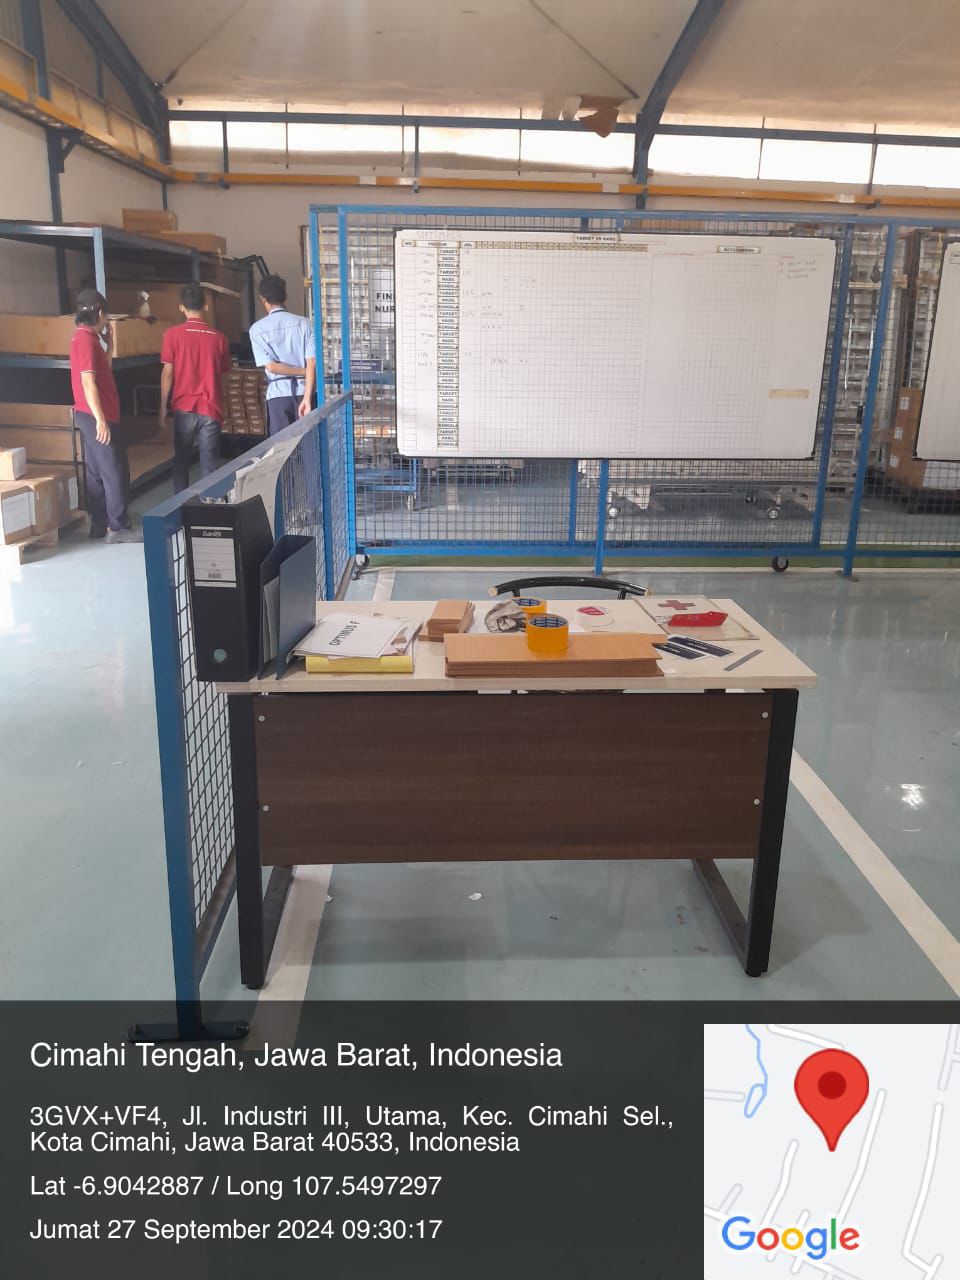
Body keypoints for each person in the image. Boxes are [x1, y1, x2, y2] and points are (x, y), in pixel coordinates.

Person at [69, 288, 138, 544]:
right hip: (98, 415)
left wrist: (109, 346)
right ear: (99, 313)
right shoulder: (87, 342)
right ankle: (118, 527)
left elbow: (101, 372)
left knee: (96, 471)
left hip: (88, 414)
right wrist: (100, 419)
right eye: (106, 316)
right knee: (113, 468)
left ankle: (99, 523)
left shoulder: (84, 339)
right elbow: (88, 383)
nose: (106, 320)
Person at [158, 284, 232, 492]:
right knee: (209, 467)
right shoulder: (219, 338)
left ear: (181, 307)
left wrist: (163, 407)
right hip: (211, 409)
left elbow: (167, 373)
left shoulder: (172, 335)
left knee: (181, 464)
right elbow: (224, 377)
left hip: (183, 409)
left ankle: (180, 509)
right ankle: (209, 507)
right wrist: (223, 403)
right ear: (206, 306)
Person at [248, 274, 316, 434]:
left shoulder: (257, 330)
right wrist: (307, 396)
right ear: (285, 296)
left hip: (278, 396)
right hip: (305, 391)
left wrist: (301, 371)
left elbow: (271, 367)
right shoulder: (306, 324)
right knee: (309, 444)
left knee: (281, 446)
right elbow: (312, 362)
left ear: (262, 299)